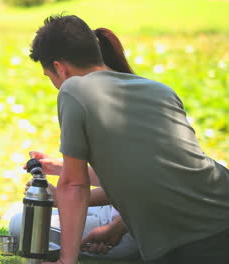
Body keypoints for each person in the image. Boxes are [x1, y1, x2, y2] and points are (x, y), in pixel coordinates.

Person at [28, 14, 229, 264]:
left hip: (196, 242)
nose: (55, 85)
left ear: (59, 68)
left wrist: (66, 261)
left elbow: (74, 186)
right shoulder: (160, 90)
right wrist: (60, 168)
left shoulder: (74, 88)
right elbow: (157, 170)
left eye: (50, 77)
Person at [8, 152, 140, 260]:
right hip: (111, 209)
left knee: (20, 225)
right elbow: (119, 180)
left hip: (132, 228)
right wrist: (61, 168)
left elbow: (142, 190)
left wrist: (65, 200)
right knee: (18, 213)